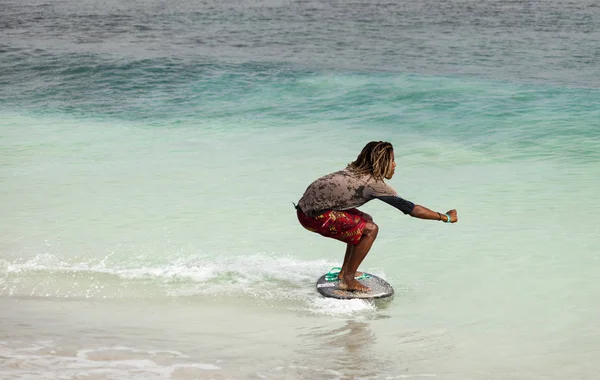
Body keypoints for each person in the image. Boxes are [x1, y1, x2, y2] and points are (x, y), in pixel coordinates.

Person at [295, 141, 458, 292]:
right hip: (313, 216)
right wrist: (445, 217)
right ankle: (348, 280)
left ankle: (345, 272)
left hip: (307, 210)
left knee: (366, 221)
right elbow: (411, 209)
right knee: (371, 230)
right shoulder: (372, 184)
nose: (395, 165)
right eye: (392, 160)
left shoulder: (354, 171)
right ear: (382, 163)